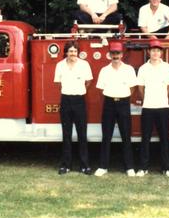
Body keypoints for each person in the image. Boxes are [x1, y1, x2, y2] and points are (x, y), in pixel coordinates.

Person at [94, 42, 138, 177]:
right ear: (109, 55)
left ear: (122, 54)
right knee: (106, 136)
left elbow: (133, 87)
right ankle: (103, 166)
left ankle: (129, 167)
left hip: (124, 103)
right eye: (113, 53)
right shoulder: (104, 70)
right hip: (109, 103)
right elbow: (101, 89)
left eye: (117, 53)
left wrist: (123, 96)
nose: (115, 56)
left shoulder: (129, 69)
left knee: (126, 136)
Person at [136, 39, 169, 177]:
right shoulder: (143, 68)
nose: (155, 53)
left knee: (164, 138)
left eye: (158, 50)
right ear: (148, 52)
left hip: (163, 106)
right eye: (153, 50)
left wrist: (162, 98)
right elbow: (140, 87)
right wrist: (147, 98)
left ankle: (167, 168)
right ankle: (143, 167)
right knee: (145, 138)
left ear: (161, 53)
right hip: (148, 107)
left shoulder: (167, 67)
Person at [54, 41, 93, 175]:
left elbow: (88, 82)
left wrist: (78, 90)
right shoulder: (60, 65)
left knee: (82, 134)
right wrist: (69, 91)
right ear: (66, 52)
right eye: (70, 51)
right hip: (66, 100)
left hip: (79, 100)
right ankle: (66, 165)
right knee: (67, 134)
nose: (73, 54)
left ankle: (85, 165)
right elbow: (58, 84)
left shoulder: (84, 65)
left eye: (75, 51)